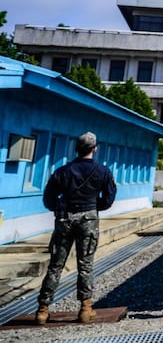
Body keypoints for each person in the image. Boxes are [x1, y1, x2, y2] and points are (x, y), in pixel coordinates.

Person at [35, 132, 117, 325]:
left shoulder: (62, 171)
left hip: (65, 219)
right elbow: (109, 197)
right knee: (85, 265)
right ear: (95, 149)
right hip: (88, 218)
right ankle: (85, 309)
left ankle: (42, 310)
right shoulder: (102, 171)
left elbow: (48, 197)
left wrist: (59, 208)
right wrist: (94, 206)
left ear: (76, 149)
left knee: (55, 265)